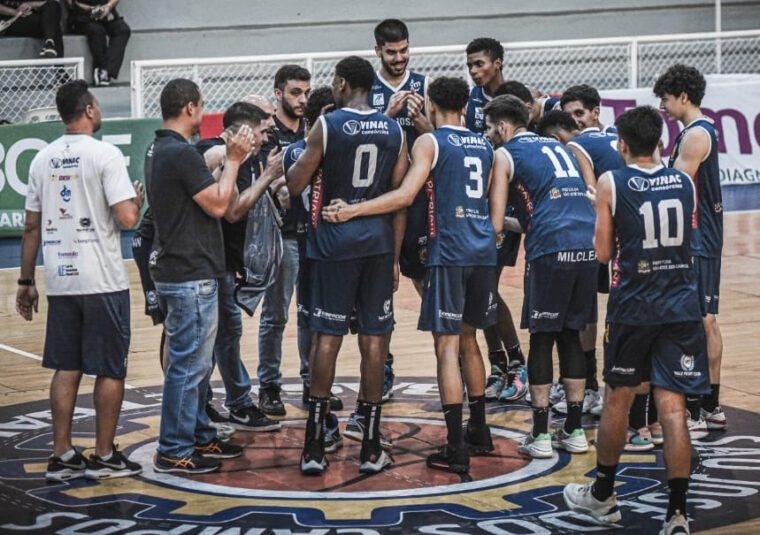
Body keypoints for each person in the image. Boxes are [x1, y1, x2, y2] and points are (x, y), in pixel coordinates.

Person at [323, 76, 506, 473]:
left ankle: (456, 447)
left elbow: (405, 196)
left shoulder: (430, 142)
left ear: (431, 104)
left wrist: (353, 209)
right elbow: (495, 215)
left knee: (447, 348)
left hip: (451, 252)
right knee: (470, 341)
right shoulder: (486, 146)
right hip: (482, 252)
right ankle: (480, 431)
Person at [563, 105, 708, 535]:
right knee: (673, 409)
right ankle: (677, 514)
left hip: (634, 308)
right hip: (681, 304)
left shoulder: (610, 181)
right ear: (660, 142)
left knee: (618, 400)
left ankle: (604, 497)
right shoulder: (684, 180)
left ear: (622, 145)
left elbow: (604, 255)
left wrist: (601, 211)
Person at [287, 56, 408, 475]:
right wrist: (394, 258)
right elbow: (397, 200)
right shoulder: (394, 129)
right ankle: (371, 446)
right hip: (376, 245)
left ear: (340, 83)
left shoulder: (328, 124)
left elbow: (296, 183)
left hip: (332, 244)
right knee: (375, 342)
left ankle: (314, 446)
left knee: (327, 339)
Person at [16, 80, 142, 480]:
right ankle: (104, 454)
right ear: (89, 110)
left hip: (61, 279)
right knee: (110, 369)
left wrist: (25, 280)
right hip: (102, 281)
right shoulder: (105, 154)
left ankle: (62, 454)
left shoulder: (41, 159)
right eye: (98, 105)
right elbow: (127, 219)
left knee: (66, 367)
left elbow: (31, 227)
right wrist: (136, 200)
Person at [146, 78, 254, 474]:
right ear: (191, 107)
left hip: (181, 269)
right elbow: (220, 205)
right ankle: (173, 447)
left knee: (196, 364)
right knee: (189, 367)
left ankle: (199, 433)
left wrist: (226, 154)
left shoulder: (161, 148)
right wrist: (237, 160)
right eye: (201, 105)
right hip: (189, 273)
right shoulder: (179, 154)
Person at [484, 95, 597, 459]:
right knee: (571, 335)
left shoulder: (504, 154)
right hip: (587, 243)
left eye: (489, 128)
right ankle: (575, 430)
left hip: (552, 246)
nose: (488, 136)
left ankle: (541, 435)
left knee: (543, 338)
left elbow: (497, 222)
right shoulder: (556, 144)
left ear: (503, 126)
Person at [195, 101, 284, 433]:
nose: (265, 137)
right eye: (261, 130)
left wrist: (273, 185)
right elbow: (232, 210)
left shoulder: (245, 158)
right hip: (206, 262)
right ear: (245, 131)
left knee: (223, 334)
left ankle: (211, 400)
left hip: (224, 262)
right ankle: (235, 403)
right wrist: (269, 177)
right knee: (217, 336)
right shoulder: (220, 153)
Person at [365, 17, 433, 408]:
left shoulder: (424, 85)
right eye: (391, 52)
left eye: (404, 50)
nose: (399, 57)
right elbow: (357, 132)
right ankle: (384, 365)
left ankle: (454, 355)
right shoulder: (368, 89)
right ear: (377, 51)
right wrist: (387, 115)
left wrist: (424, 122)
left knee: (428, 285)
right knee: (381, 289)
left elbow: (441, 137)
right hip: (379, 202)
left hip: (421, 203)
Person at [655, 64, 725, 436]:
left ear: (683, 96)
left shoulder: (696, 136)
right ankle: (712, 406)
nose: (663, 107)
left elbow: (675, 188)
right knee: (707, 318)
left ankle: (697, 410)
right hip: (704, 240)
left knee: (701, 321)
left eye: (666, 99)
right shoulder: (697, 132)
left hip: (698, 241)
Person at [464, 37, 527, 405]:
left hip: (506, 208)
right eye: (470, 65)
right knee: (480, 290)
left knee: (487, 287)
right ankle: (498, 366)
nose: (474, 71)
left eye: (480, 64)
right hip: (477, 205)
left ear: (498, 63)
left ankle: (516, 366)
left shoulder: (514, 100)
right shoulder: (471, 101)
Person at [283, 86, 345, 454]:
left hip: (330, 245)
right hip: (308, 243)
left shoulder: (318, 147)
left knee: (322, 324)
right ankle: (310, 385)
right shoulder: (300, 150)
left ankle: (316, 390)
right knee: (310, 322)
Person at [66, 0, 131, 86]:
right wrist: (92, 9)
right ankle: (99, 67)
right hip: (82, 15)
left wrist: (108, 7)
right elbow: (71, 3)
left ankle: (106, 71)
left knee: (123, 29)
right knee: (97, 30)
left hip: (106, 13)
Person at [495, 80, 559, 131]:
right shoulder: (529, 119)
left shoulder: (556, 108)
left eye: (514, 116)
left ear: (528, 108)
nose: (513, 122)